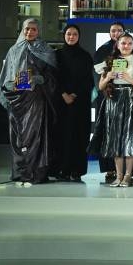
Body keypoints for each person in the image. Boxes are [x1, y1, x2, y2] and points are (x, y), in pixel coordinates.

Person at [89, 32, 133, 188]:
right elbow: (100, 87)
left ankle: (128, 176)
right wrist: (108, 76)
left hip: (130, 102)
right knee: (115, 139)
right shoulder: (109, 62)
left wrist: (129, 78)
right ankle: (118, 176)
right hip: (113, 102)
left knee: (130, 140)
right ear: (117, 45)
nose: (126, 46)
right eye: (123, 43)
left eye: (130, 43)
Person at [0, 18, 57, 186]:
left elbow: (52, 78)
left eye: (33, 29)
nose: (29, 32)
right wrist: (12, 85)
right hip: (16, 99)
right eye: (26, 29)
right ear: (22, 30)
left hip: (36, 99)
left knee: (35, 135)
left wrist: (37, 79)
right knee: (17, 135)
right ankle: (20, 171)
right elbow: (6, 75)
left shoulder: (46, 50)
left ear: (38, 31)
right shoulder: (13, 50)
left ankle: (36, 172)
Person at [54, 24, 93, 182]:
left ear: (79, 36)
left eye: (74, 34)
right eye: (68, 34)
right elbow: (53, 77)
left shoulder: (85, 56)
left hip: (80, 103)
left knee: (79, 136)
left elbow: (88, 80)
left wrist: (74, 94)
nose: (71, 37)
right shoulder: (56, 55)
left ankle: (76, 170)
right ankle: (61, 169)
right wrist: (64, 94)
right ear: (64, 35)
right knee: (61, 135)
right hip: (61, 103)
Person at [92, 20, 125, 183]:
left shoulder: (127, 47)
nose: (116, 33)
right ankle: (108, 169)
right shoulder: (103, 49)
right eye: (113, 31)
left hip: (125, 97)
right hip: (107, 96)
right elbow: (98, 75)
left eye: (119, 30)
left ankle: (124, 171)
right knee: (106, 132)